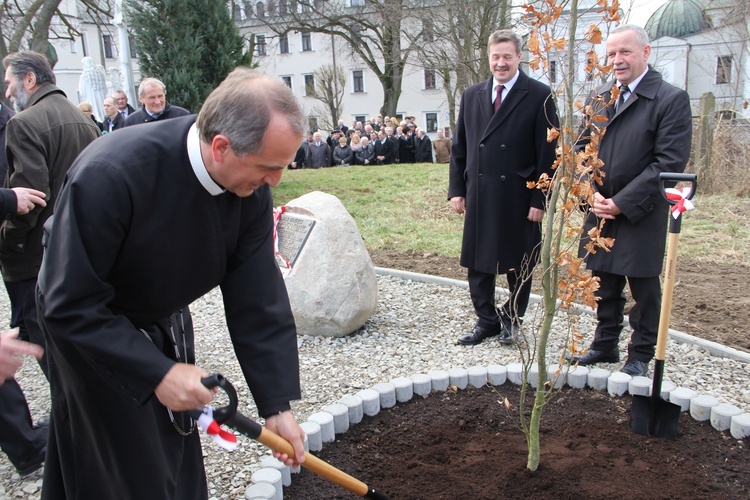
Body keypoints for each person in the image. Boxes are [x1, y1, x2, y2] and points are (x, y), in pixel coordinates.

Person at [36, 68, 308, 498]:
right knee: (121, 462)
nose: (275, 181)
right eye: (269, 167)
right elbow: (68, 301)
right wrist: (156, 372)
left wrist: (276, 406)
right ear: (221, 147)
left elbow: (257, 297)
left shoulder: (250, 189)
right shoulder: (110, 173)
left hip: (158, 312)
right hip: (88, 322)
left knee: (177, 446)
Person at [570, 25, 692, 376]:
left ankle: (640, 353)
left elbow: (668, 163)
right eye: (611, 54)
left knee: (644, 288)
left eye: (625, 52)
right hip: (599, 209)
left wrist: (622, 201)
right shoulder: (599, 97)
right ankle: (604, 345)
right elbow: (580, 151)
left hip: (641, 209)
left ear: (645, 52)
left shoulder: (669, 99)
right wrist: (586, 190)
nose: (617, 60)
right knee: (603, 283)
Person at [1, 49, 99, 478]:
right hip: (80, 251)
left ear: (27, 81)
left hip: (35, 259)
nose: (6, 91)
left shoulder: (24, 124)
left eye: (9, 82)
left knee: (40, 344)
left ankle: (76, 429)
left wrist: (8, 244)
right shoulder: (85, 121)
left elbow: (28, 197)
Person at [448, 29, 558, 346]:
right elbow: (460, 147)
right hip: (480, 193)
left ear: (518, 57)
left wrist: (541, 197)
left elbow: (549, 153)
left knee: (518, 262)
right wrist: (457, 189)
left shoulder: (539, 95)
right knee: (478, 262)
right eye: (495, 57)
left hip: (519, 196)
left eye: (507, 57)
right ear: (489, 58)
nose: (501, 63)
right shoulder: (472, 95)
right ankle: (486, 320)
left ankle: (511, 318)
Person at [124, 77, 190, 126]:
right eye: (152, 97)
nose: (157, 101)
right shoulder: (131, 122)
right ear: (141, 99)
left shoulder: (182, 116)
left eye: (160, 96)